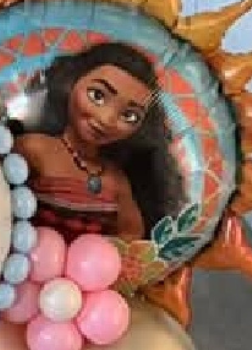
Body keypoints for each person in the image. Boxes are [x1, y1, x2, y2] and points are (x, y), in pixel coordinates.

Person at [13, 42, 185, 244]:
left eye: (130, 116)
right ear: (70, 82)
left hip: (91, 271)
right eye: (97, 95)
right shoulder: (33, 149)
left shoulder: (116, 180)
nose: (106, 119)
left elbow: (131, 236)